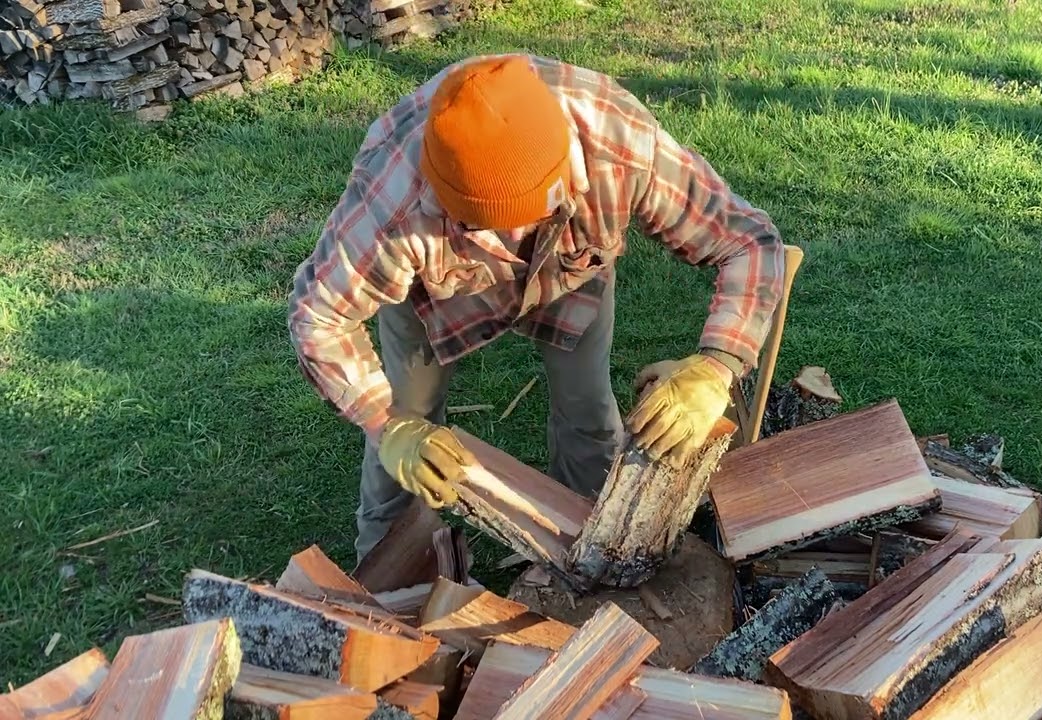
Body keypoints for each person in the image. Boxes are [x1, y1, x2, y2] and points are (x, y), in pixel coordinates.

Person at [286, 53, 785, 561]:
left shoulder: (619, 142)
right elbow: (319, 316)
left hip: (571, 268)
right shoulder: (394, 198)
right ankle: (390, 572)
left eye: (528, 219)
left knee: (587, 408)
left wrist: (716, 365)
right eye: (489, 226)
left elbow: (749, 243)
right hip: (434, 294)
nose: (513, 241)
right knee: (408, 415)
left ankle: (596, 549)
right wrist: (386, 425)